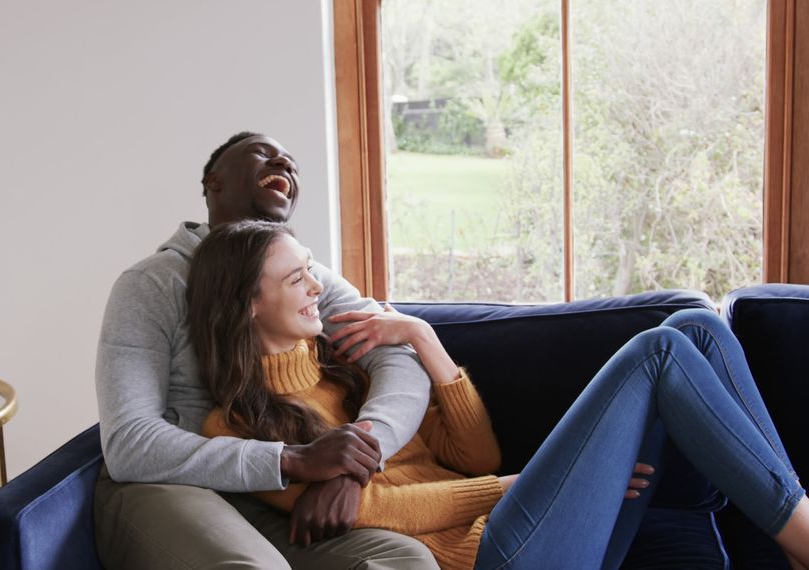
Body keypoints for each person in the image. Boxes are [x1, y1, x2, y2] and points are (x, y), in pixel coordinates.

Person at [187, 220, 809, 570]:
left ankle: (798, 536)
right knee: (661, 350)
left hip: (527, 533)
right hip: (490, 559)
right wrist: (533, 485)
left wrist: (424, 341)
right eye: (297, 279)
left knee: (693, 330)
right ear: (247, 304)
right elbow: (373, 511)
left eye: (312, 270)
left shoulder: (349, 370)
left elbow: (476, 457)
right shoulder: (234, 427)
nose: (319, 288)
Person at [93, 132, 439, 568]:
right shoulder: (152, 284)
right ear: (213, 182)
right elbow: (129, 443)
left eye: (291, 161)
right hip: (172, 483)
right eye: (263, 153)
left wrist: (357, 461)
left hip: (271, 491)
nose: (283, 163)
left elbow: (395, 357)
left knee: (402, 560)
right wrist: (290, 460)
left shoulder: (303, 275)